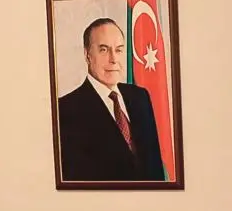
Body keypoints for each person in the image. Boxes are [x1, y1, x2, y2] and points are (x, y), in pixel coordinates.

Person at [56, 17, 165, 182]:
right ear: (87, 55)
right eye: (104, 50)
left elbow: (155, 167)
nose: (113, 59)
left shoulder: (140, 97)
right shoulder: (66, 109)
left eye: (119, 50)